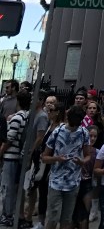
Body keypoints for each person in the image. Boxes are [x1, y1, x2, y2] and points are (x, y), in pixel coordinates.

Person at [42, 104, 91, 229]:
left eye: (78, 124)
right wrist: (57, 159)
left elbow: (88, 155)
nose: (75, 127)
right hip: (56, 181)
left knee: (67, 219)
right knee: (53, 217)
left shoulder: (84, 133)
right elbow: (45, 157)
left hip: (73, 182)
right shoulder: (57, 132)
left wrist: (82, 161)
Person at [0, 88, 32, 227]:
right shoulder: (27, 116)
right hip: (17, 156)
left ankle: (7, 215)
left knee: (8, 187)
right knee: (13, 187)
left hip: (10, 156)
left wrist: (0, 152)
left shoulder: (17, 118)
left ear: (18, 101)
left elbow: (9, 138)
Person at [35, 101, 65, 229]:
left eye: (51, 110)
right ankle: (41, 222)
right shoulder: (50, 125)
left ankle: (49, 222)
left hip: (54, 164)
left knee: (51, 196)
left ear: (57, 112)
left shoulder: (61, 127)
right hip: (44, 162)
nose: (48, 113)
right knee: (42, 192)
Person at [24, 91, 50, 224]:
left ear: (40, 100)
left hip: (34, 155)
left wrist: (30, 152)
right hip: (28, 152)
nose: (31, 100)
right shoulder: (32, 114)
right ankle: (26, 213)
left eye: (34, 98)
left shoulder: (42, 116)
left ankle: (29, 217)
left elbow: (40, 137)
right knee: (28, 185)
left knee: (32, 186)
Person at [72, 125, 98, 229]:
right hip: (74, 183)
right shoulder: (77, 149)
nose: (92, 139)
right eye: (90, 135)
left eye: (95, 136)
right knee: (72, 216)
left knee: (85, 215)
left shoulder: (97, 152)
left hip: (87, 184)